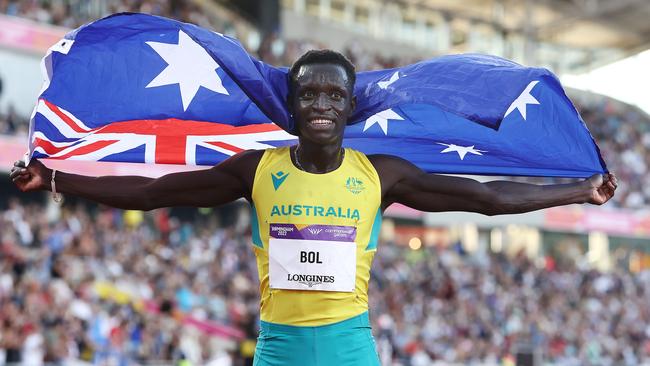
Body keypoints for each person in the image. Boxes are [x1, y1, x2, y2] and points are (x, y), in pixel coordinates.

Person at [11, 49, 617, 365]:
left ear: (351, 105)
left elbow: (485, 199)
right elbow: (152, 192)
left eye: (335, 93)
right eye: (310, 92)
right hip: (279, 350)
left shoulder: (380, 175)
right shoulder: (259, 171)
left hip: (352, 350)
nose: (322, 102)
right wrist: (58, 177)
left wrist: (576, 191)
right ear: (293, 104)